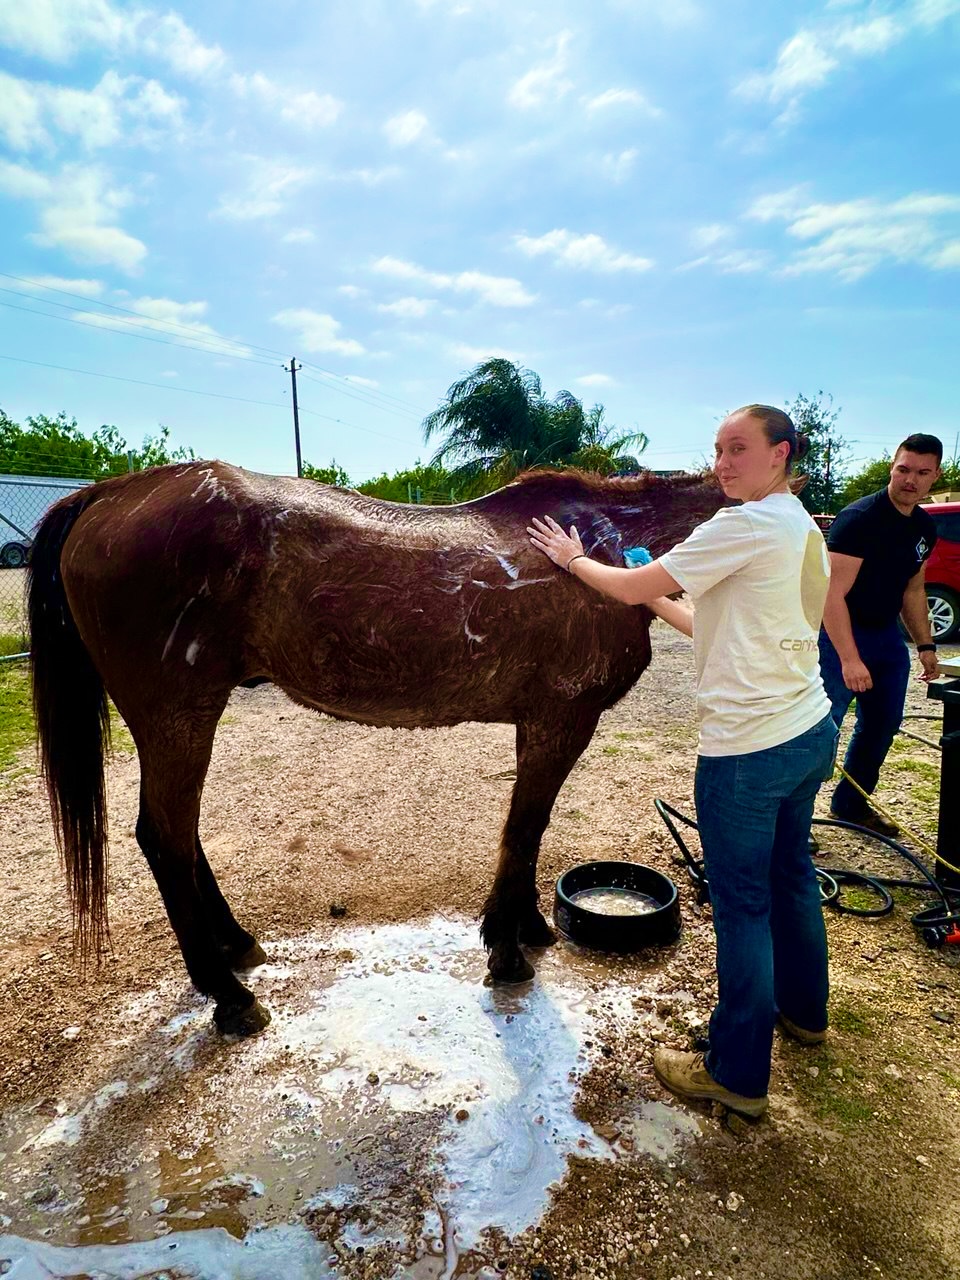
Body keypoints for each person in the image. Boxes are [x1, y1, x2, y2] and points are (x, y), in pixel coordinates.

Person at [528, 405, 838, 1119]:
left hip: (748, 752)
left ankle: (735, 1072)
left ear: (779, 454)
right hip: (805, 733)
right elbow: (709, 621)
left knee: (744, 908)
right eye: (718, 451)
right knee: (791, 878)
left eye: (739, 449)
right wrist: (663, 591)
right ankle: (805, 1014)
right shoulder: (799, 526)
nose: (723, 463)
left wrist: (573, 561)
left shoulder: (743, 524)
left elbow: (630, 589)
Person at [820, 435, 942, 836]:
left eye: (922, 473)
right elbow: (830, 593)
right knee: (820, 729)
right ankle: (792, 826)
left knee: (882, 724)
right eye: (904, 469)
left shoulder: (924, 525)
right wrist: (849, 658)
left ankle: (851, 806)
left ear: (935, 476)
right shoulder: (860, 518)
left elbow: (913, 588)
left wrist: (925, 645)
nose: (911, 480)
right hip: (838, 633)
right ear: (892, 466)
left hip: (886, 637)